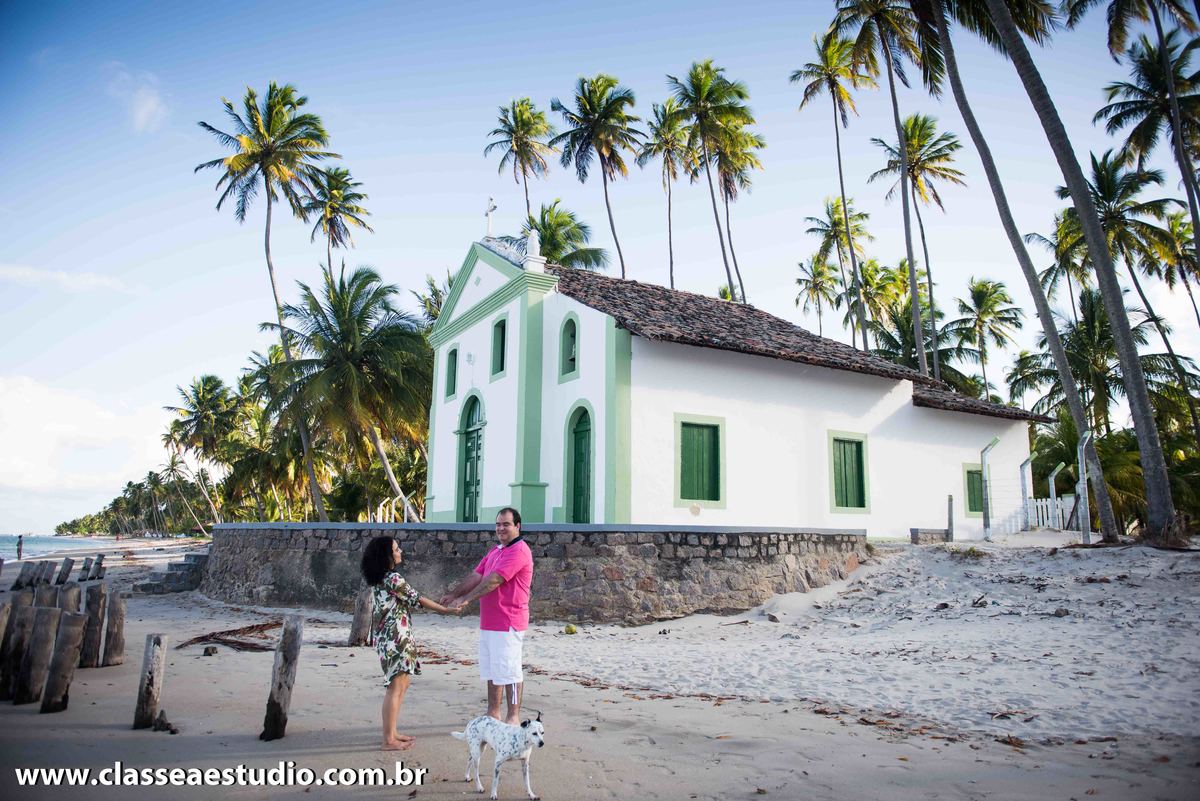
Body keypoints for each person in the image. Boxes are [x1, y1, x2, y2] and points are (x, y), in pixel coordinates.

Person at [360, 536, 457, 751]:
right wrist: (445, 610)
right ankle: (388, 739)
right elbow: (416, 598)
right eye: (396, 549)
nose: (400, 551)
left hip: (393, 636)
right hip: (395, 637)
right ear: (386, 556)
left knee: (402, 685)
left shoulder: (381, 578)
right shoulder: (392, 578)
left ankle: (392, 732)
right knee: (395, 687)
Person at [441, 507, 533, 725]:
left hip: (509, 621)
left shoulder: (519, 550)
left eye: (506, 524)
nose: (501, 528)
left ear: (517, 526)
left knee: (510, 671)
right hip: (490, 622)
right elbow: (477, 575)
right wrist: (455, 594)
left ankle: (513, 716)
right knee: (493, 670)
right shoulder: (496, 550)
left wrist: (467, 599)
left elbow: (495, 580)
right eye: (498, 524)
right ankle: (493, 713)